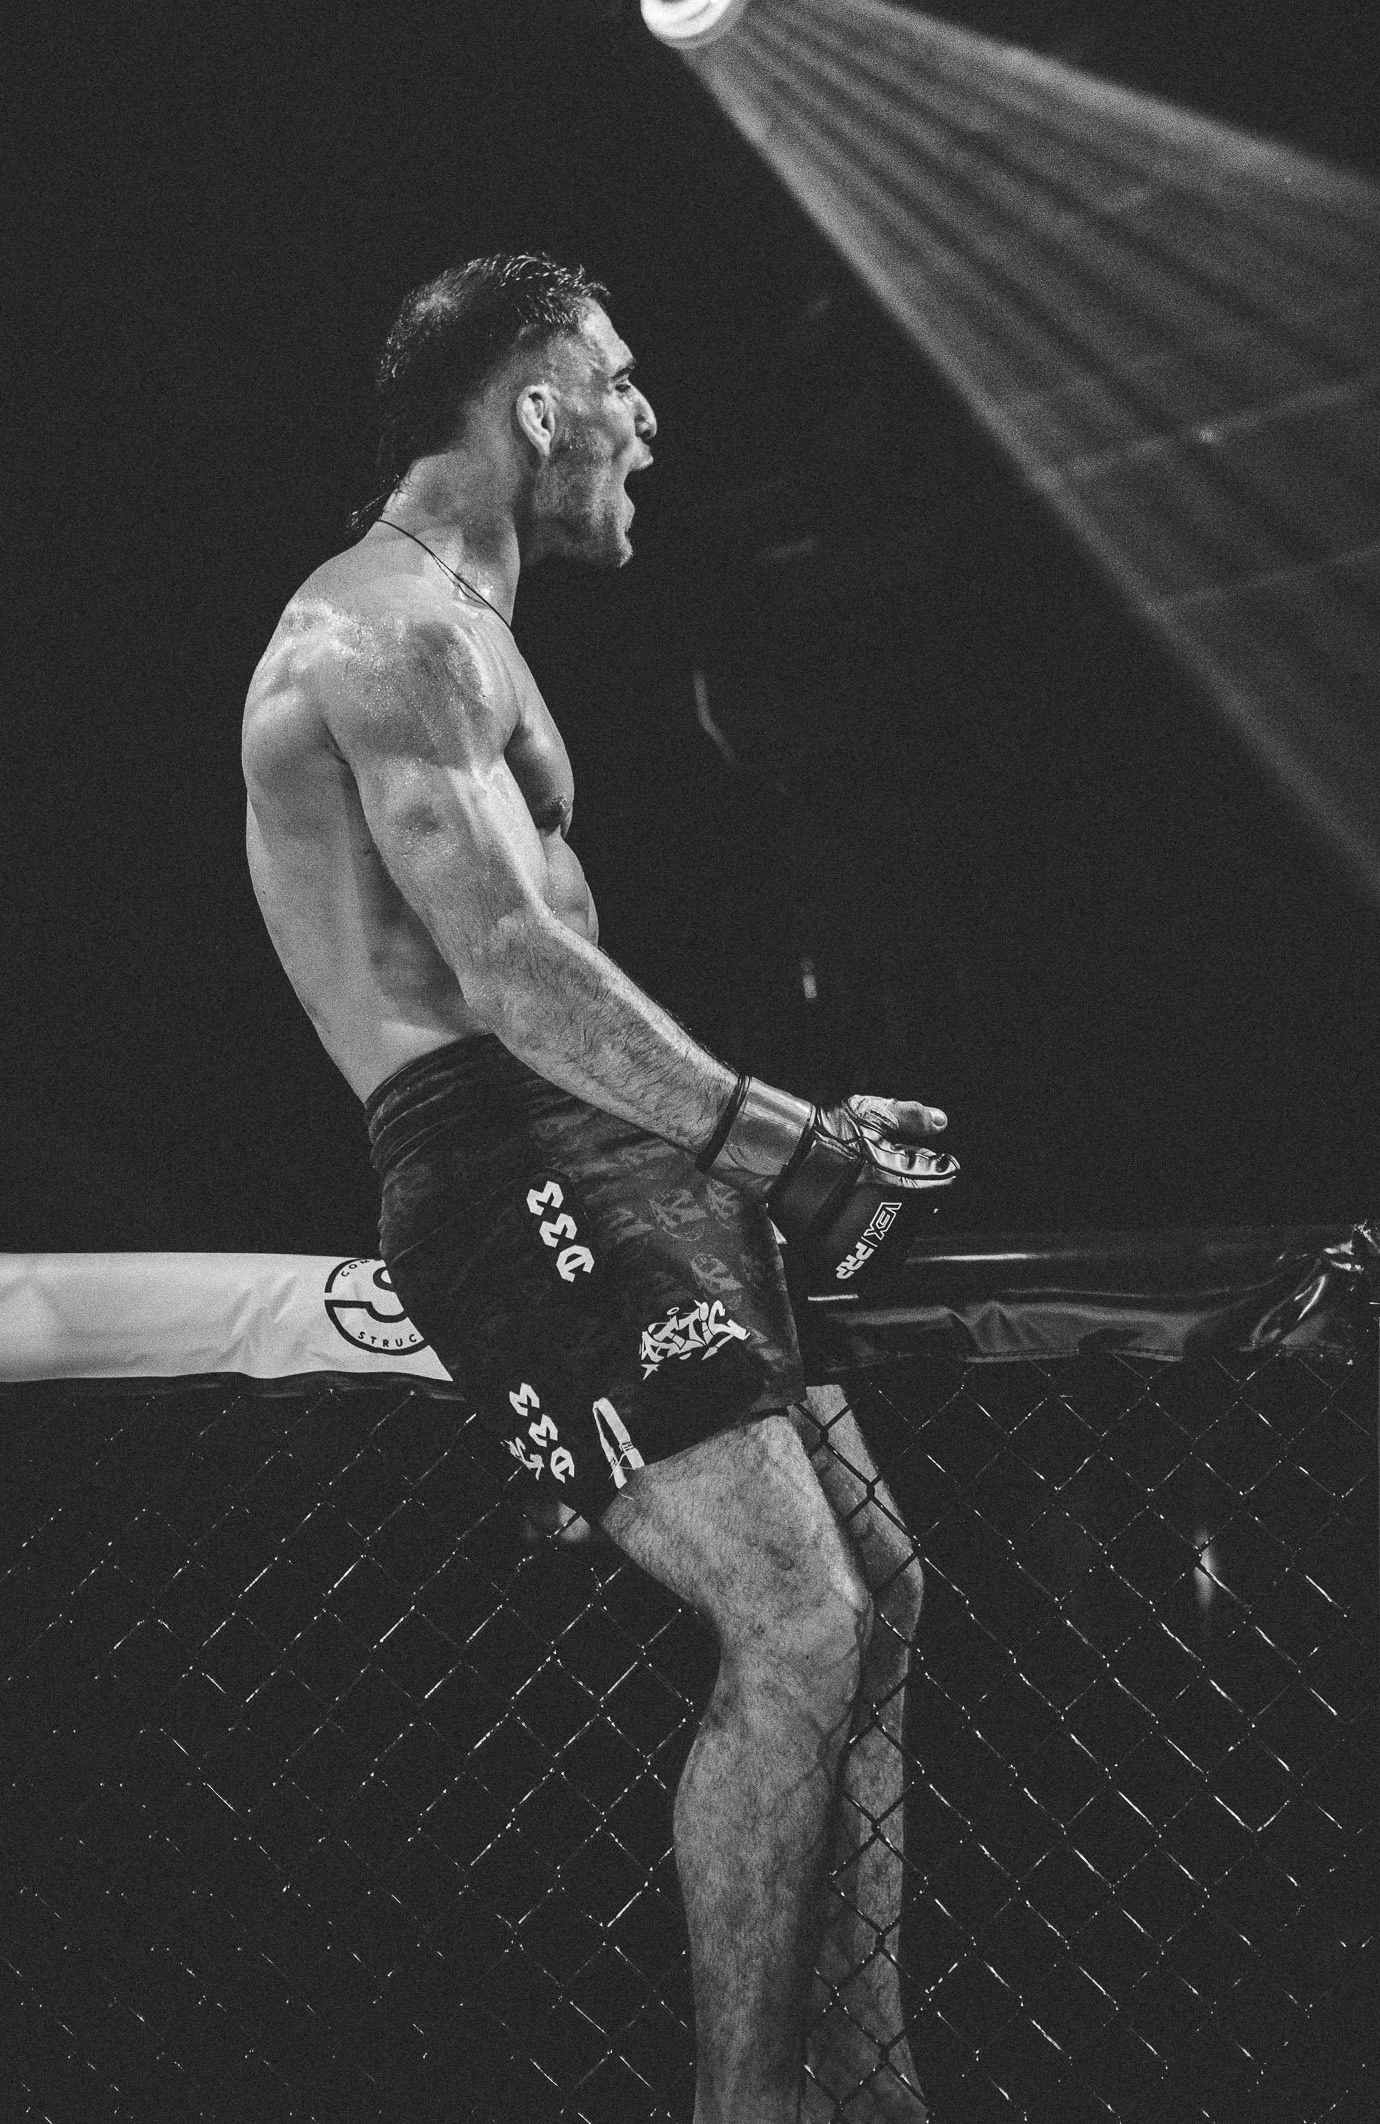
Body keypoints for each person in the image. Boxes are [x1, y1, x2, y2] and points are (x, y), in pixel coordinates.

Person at [241, 252, 959, 2124]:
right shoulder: (382, 633)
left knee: (879, 1596)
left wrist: (769, 1133)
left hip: (598, 1144)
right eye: (619, 382)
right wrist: (782, 1140)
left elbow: (553, 975)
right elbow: (506, 970)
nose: (647, 419)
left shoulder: (473, 628)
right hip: (500, 1156)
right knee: (798, 1618)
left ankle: (872, 2092)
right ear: (535, 406)